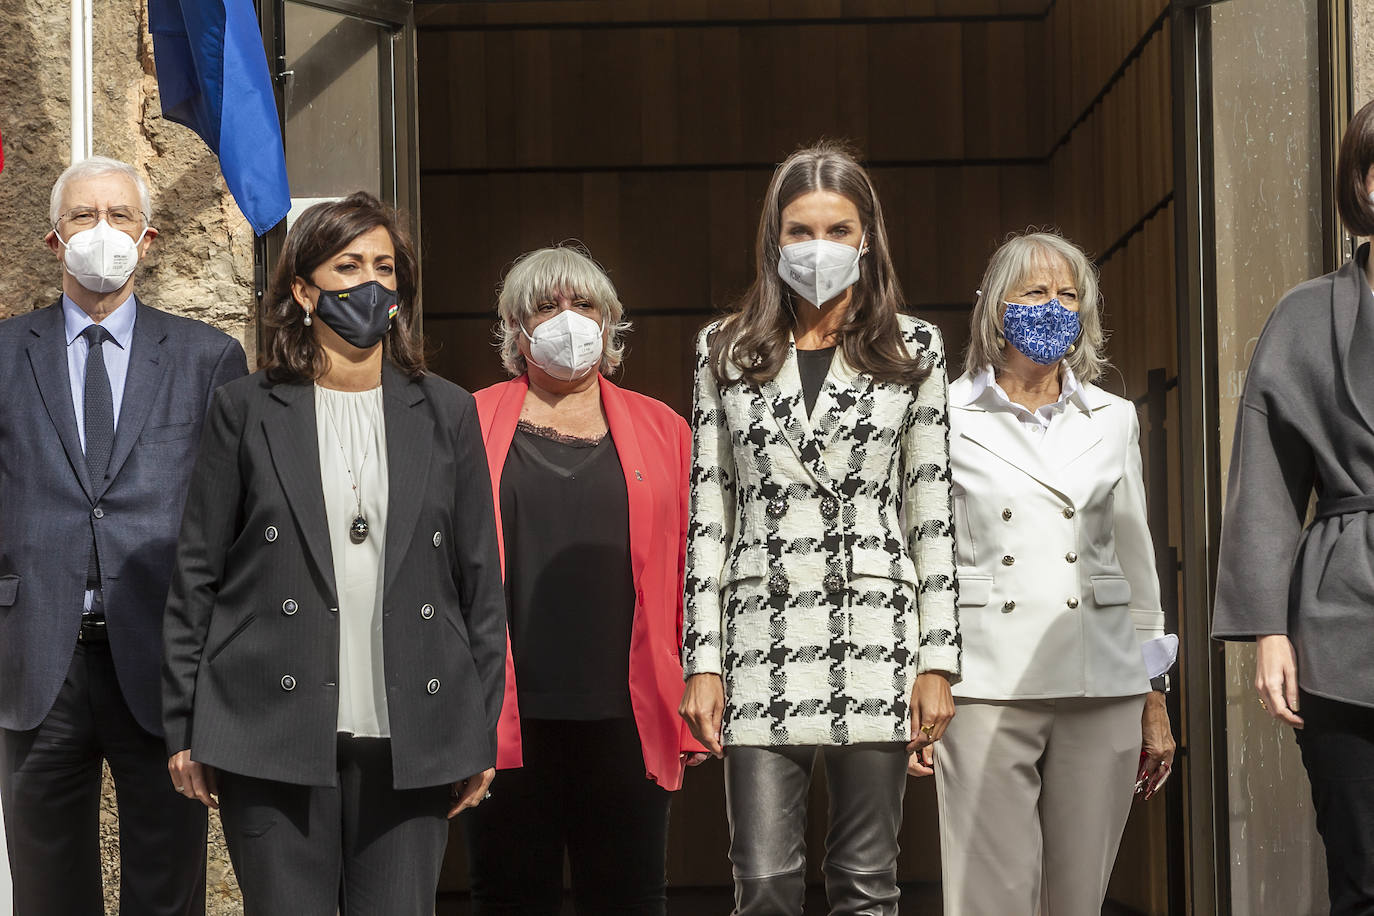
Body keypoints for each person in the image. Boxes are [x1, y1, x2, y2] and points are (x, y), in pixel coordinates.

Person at [161, 192, 506, 914]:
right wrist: (184, 725)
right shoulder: (247, 407)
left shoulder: (447, 410)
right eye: (348, 265)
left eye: (385, 266)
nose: (370, 283)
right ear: (302, 288)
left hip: (413, 730)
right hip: (267, 724)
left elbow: (479, 582)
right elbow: (198, 570)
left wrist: (477, 729)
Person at [678, 141, 960, 916]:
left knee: (866, 882)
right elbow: (709, 515)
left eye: (838, 229)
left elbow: (930, 511)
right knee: (763, 880)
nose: (818, 247)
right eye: (800, 230)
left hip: (874, 629)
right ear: (774, 239)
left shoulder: (915, 347)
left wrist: (938, 658)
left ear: (867, 236)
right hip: (757, 632)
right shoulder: (723, 349)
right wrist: (701, 659)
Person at [0, 155, 248, 915]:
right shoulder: (6, 352)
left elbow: (233, 517)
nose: (101, 233)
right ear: (52, 238)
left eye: (119, 217)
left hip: (163, 663)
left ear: (148, 240)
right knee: (46, 889)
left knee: (168, 884)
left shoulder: (209, 358)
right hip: (38, 661)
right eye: (83, 217)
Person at [934, 230, 1177, 915]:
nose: (1053, 306)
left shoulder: (1114, 417)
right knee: (991, 898)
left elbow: (1137, 563)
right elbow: (922, 558)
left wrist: (1153, 690)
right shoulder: (941, 414)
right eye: (1035, 292)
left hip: (1101, 681)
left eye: (1068, 294)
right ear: (995, 308)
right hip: (984, 680)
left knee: (1078, 899)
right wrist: (920, 679)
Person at [464, 244, 706, 914]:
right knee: (509, 895)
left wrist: (701, 683)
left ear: (610, 322)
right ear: (514, 329)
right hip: (503, 714)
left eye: (584, 305)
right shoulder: (464, 420)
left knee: (628, 896)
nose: (567, 320)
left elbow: (695, 566)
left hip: (625, 714)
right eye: (546, 306)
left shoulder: (666, 431)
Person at [1213, 98, 1374, 915]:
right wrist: (1268, 629)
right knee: (1362, 875)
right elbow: (1268, 482)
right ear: (1366, 182)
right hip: (1342, 625)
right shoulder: (1304, 314)